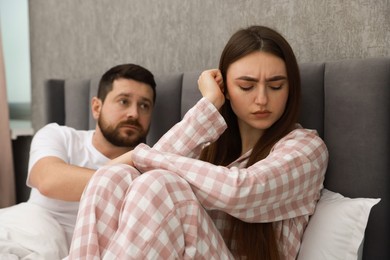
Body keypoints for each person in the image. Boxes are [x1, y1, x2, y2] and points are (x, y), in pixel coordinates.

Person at [67, 26, 328, 260]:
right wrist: (211, 105)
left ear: (290, 88)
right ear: (226, 88)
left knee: (161, 184)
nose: (261, 99)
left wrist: (140, 156)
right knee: (111, 178)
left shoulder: (306, 149)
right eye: (246, 87)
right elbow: (143, 167)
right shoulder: (211, 145)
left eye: (275, 86)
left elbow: (241, 191)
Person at [0, 63, 156, 259]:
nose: (134, 113)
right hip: (23, 228)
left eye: (144, 105)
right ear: (97, 107)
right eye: (124, 101)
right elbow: (49, 181)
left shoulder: (151, 171)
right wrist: (128, 160)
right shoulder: (59, 136)